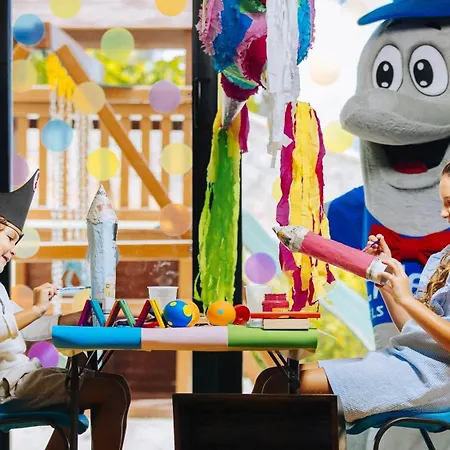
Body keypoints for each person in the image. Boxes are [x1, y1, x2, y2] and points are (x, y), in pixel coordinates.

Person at [254, 161, 450, 424]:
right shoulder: (442, 258)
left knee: (280, 384)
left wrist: (406, 298)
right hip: (409, 362)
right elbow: (414, 331)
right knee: (270, 378)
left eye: (449, 203)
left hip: (435, 378)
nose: (443, 213)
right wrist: (385, 279)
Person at [0, 170, 130, 450]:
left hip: (20, 377)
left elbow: (29, 326)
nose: (12, 251)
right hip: (8, 386)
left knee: (115, 386)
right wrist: (36, 308)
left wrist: (84, 316)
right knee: (111, 392)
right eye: (10, 238)